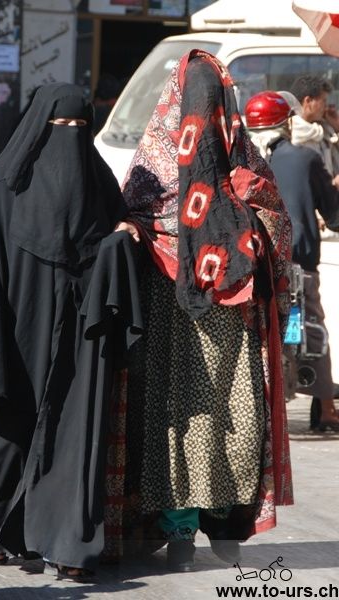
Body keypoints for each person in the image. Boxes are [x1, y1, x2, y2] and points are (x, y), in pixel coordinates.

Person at [103, 50, 294, 572]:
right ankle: (190, 531)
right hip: (178, 327)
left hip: (222, 326)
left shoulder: (175, 165)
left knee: (225, 426)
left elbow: (274, 224)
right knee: (188, 426)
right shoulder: (222, 168)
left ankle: (216, 526)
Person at [0, 83, 142, 579]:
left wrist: (122, 237)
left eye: (80, 128)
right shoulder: (5, 186)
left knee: (76, 435)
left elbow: (112, 233)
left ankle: (69, 545)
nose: (70, 137)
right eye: (61, 126)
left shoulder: (97, 180)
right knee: (14, 430)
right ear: (41, 128)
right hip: (21, 326)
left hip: (80, 326)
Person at [245, 90, 339, 432]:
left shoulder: (240, 161)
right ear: (287, 123)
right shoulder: (305, 158)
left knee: (257, 331)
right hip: (299, 259)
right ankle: (325, 408)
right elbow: (334, 214)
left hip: (254, 263)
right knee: (313, 326)